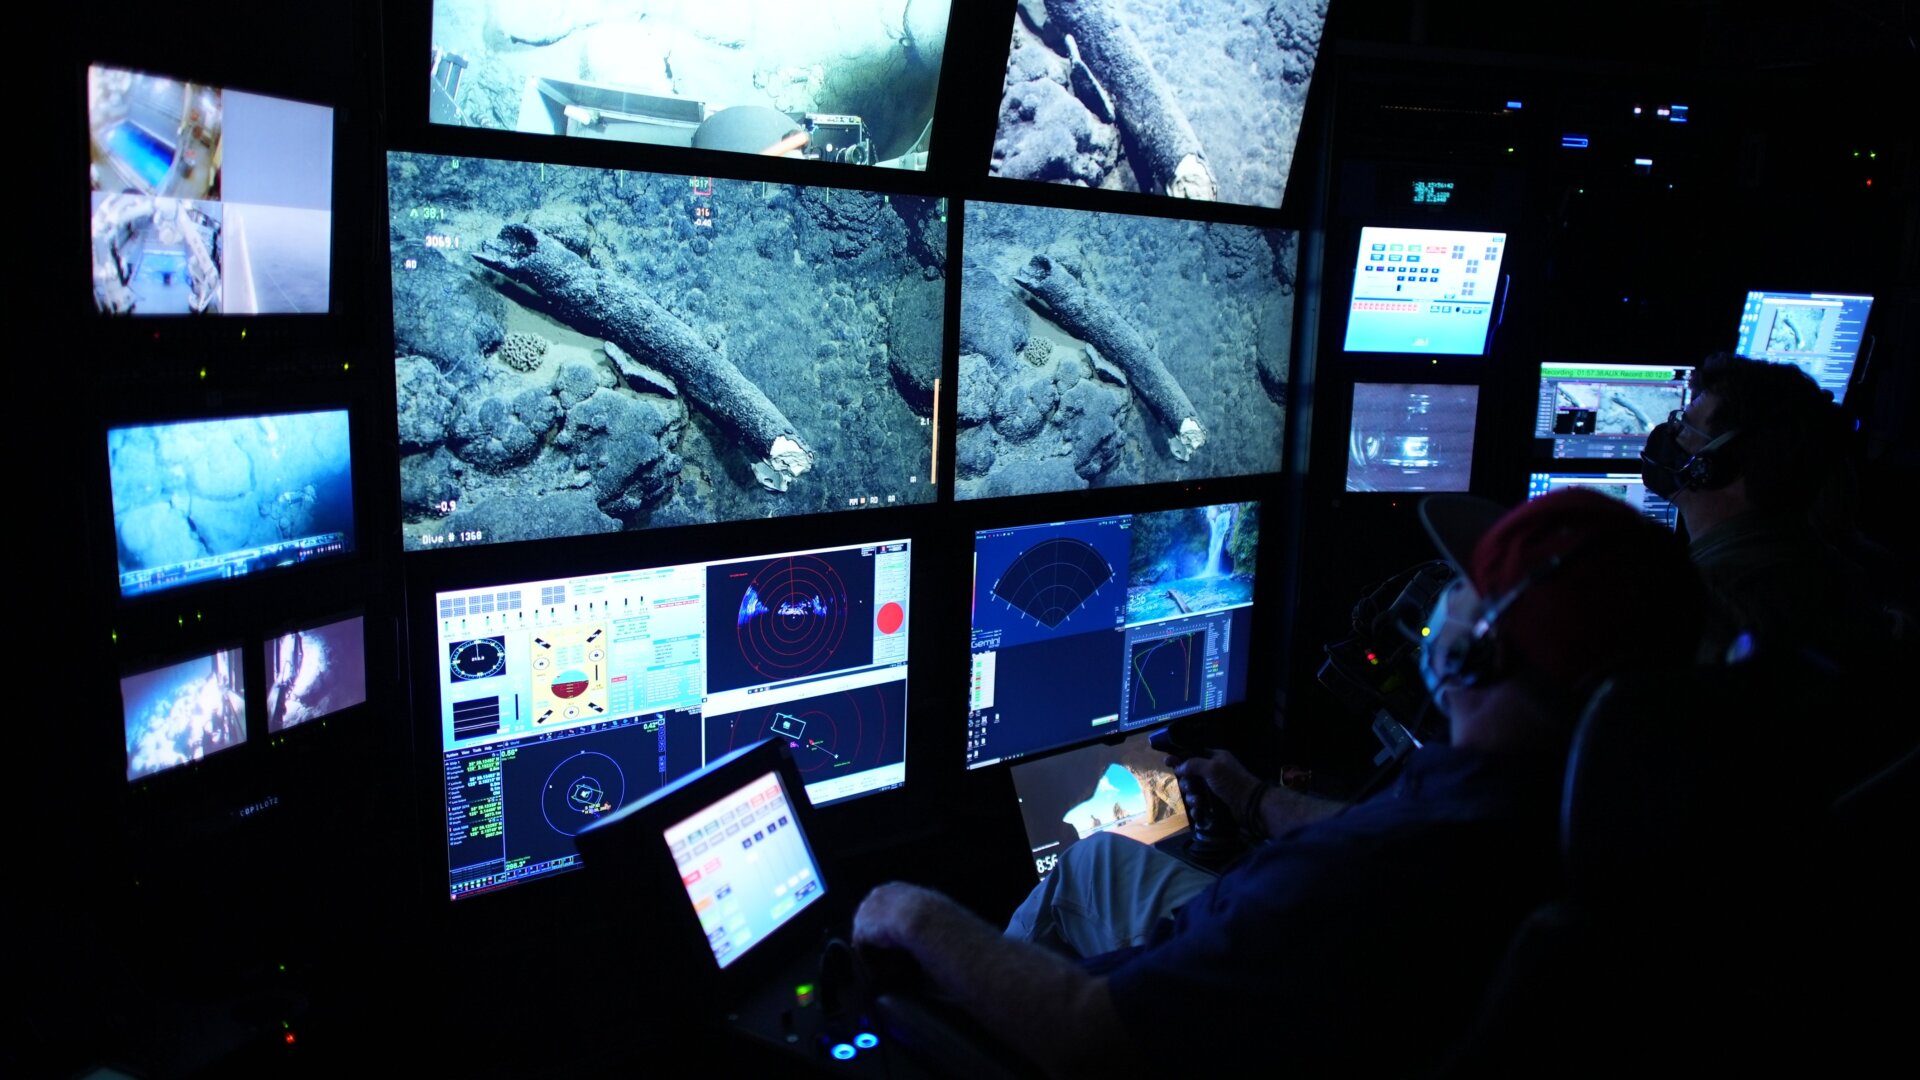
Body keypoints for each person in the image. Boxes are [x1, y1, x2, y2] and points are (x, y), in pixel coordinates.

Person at [853, 490, 1707, 1077]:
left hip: (1145, 1021)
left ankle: (943, 1019)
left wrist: (914, 911)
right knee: (1097, 856)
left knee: (959, 931)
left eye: (1468, 588)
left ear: (1475, 651)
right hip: (1271, 976)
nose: (1441, 600)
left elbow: (1092, 1041)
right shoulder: (1569, 810)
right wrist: (1259, 798)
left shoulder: (1358, 880)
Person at [1640, 351, 1913, 788]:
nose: (1668, 435)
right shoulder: (1839, 573)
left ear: (1718, 466)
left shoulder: (1699, 610)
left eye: (1684, 427)